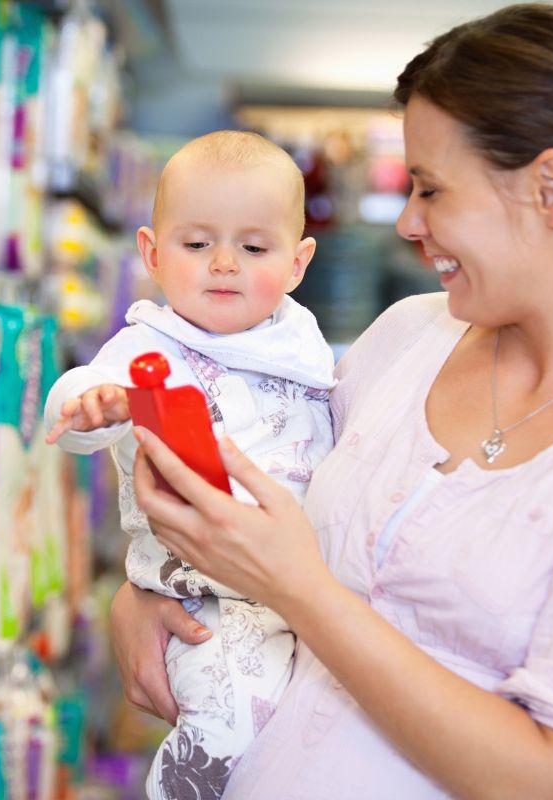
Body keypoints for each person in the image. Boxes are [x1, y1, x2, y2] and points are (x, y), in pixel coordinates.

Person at [111, 4, 553, 799]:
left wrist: (298, 589)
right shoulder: (407, 338)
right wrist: (147, 592)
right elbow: (261, 501)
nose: (408, 222)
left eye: (431, 189)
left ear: (551, 190)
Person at [44, 130, 335, 799]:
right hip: (206, 599)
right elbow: (73, 406)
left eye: (254, 247)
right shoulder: (148, 345)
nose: (224, 263)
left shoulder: (301, 341)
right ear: (151, 252)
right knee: (226, 730)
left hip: (305, 593)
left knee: (303, 743)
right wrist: (95, 406)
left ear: (297, 261)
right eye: (197, 244)